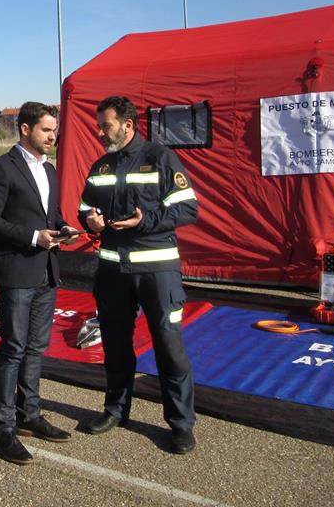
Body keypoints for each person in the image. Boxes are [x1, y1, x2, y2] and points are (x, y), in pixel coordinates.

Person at [78, 96, 199, 455]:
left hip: (157, 272)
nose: (100, 131)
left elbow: (187, 208)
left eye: (106, 125)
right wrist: (90, 220)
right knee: (115, 345)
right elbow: (85, 206)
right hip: (113, 271)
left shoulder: (161, 159)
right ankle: (116, 410)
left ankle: (180, 424)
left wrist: (144, 221)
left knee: (169, 346)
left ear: (128, 125)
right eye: (99, 125)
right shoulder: (100, 166)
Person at [0, 102, 76, 464]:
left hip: (46, 270)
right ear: (25, 129)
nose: (53, 136)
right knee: (14, 348)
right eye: (47, 130)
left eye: (54, 130)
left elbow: (51, 215)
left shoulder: (48, 170)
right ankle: (3, 427)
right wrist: (34, 237)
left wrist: (65, 228)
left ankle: (29, 415)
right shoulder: (1, 167)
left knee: (36, 348)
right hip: (17, 271)